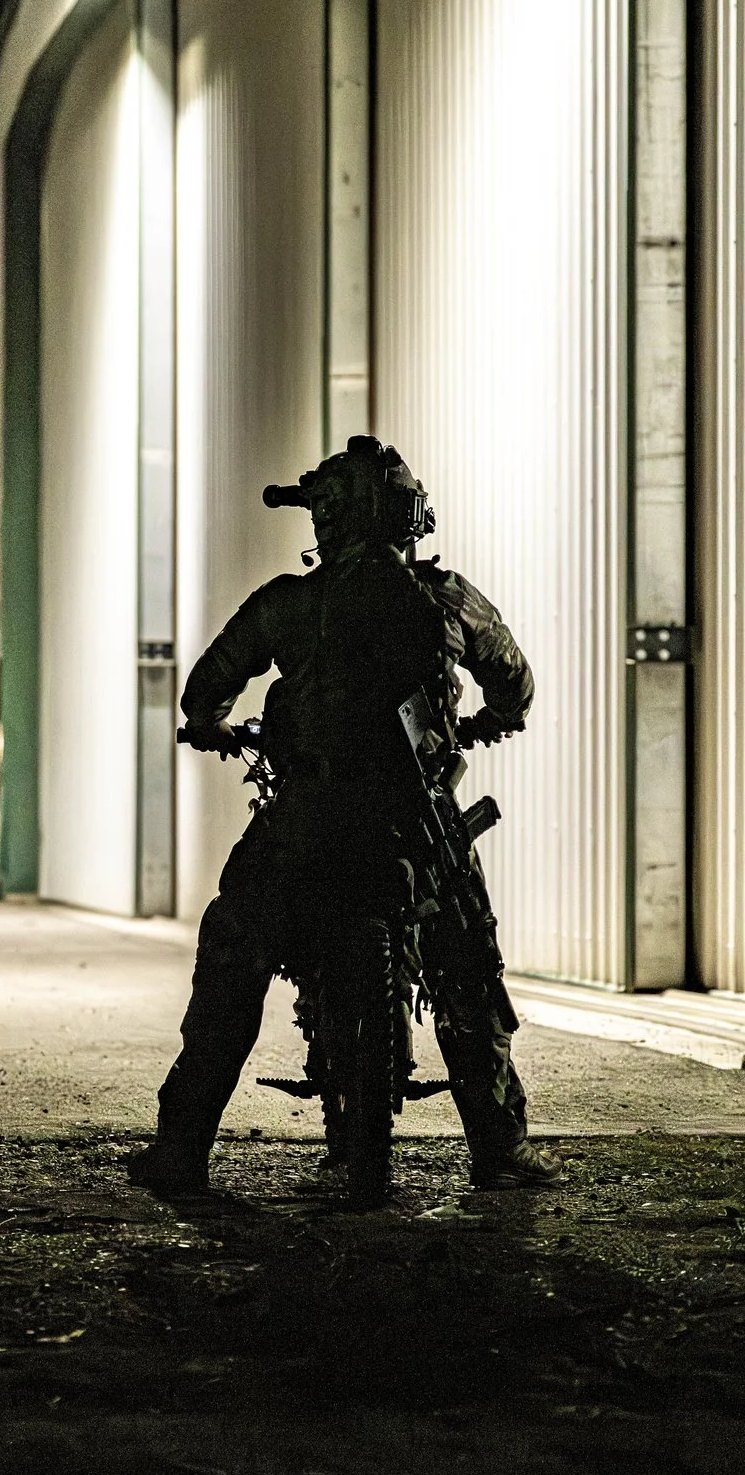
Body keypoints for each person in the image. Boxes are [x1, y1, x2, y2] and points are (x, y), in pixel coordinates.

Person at [127, 436, 560, 1201]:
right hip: (415, 822)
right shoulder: (447, 598)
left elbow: (205, 693)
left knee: (233, 955)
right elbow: (515, 687)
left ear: (327, 518)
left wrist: (217, 727)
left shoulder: (288, 605)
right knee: (467, 968)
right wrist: (488, 719)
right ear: (407, 517)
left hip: (309, 817)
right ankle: (500, 1147)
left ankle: (182, 1147)